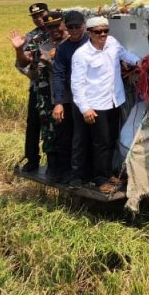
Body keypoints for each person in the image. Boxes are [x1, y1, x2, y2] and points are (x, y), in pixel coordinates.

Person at [70, 16, 141, 193]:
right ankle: (100, 180)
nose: (103, 34)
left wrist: (140, 62)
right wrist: (85, 108)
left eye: (105, 31)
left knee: (111, 140)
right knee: (100, 143)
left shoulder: (112, 43)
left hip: (114, 101)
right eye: (98, 32)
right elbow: (77, 84)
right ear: (89, 33)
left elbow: (125, 55)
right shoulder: (81, 55)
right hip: (96, 105)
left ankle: (108, 173)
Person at [8, 2, 49, 172]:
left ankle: (56, 160)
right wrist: (19, 51)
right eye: (35, 17)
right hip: (39, 86)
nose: (39, 19)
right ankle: (32, 159)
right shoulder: (32, 37)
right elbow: (22, 62)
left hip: (59, 87)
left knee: (56, 125)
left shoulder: (60, 30)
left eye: (41, 15)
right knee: (33, 122)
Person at [50, 10, 89, 184]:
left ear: (84, 26)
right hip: (76, 98)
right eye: (70, 27)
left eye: (77, 26)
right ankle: (76, 174)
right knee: (77, 136)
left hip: (98, 97)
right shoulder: (63, 49)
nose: (74, 30)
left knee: (100, 138)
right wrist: (58, 102)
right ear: (65, 27)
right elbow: (58, 75)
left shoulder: (93, 42)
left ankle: (97, 174)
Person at [31, 11, 68, 181]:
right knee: (51, 132)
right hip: (53, 97)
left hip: (76, 97)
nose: (54, 30)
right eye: (50, 27)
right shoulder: (43, 47)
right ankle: (54, 168)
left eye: (57, 25)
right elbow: (34, 73)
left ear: (63, 24)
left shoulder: (74, 42)